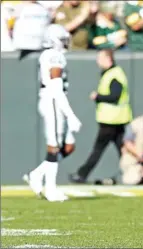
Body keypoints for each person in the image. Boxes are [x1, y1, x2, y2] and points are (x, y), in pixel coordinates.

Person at [22, 24, 82, 202]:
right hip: (53, 101)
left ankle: (37, 174)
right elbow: (56, 88)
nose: (65, 43)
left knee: (68, 146)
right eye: (63, 39)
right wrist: (71, 115)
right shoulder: (54, 56)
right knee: (54, 146)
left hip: (55, 100)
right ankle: (50, 189)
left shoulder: (52, 55)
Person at [69, 49, 132, 184]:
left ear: (108, 59)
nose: (98, 62)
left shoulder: (114, 75)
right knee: (123, 149)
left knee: (99, 149)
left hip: (111, 120)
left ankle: (82, 174)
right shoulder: (111, 74)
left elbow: (115, 96)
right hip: (116, 118)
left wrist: (98, 97)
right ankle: (135, 171)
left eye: (100, 58)